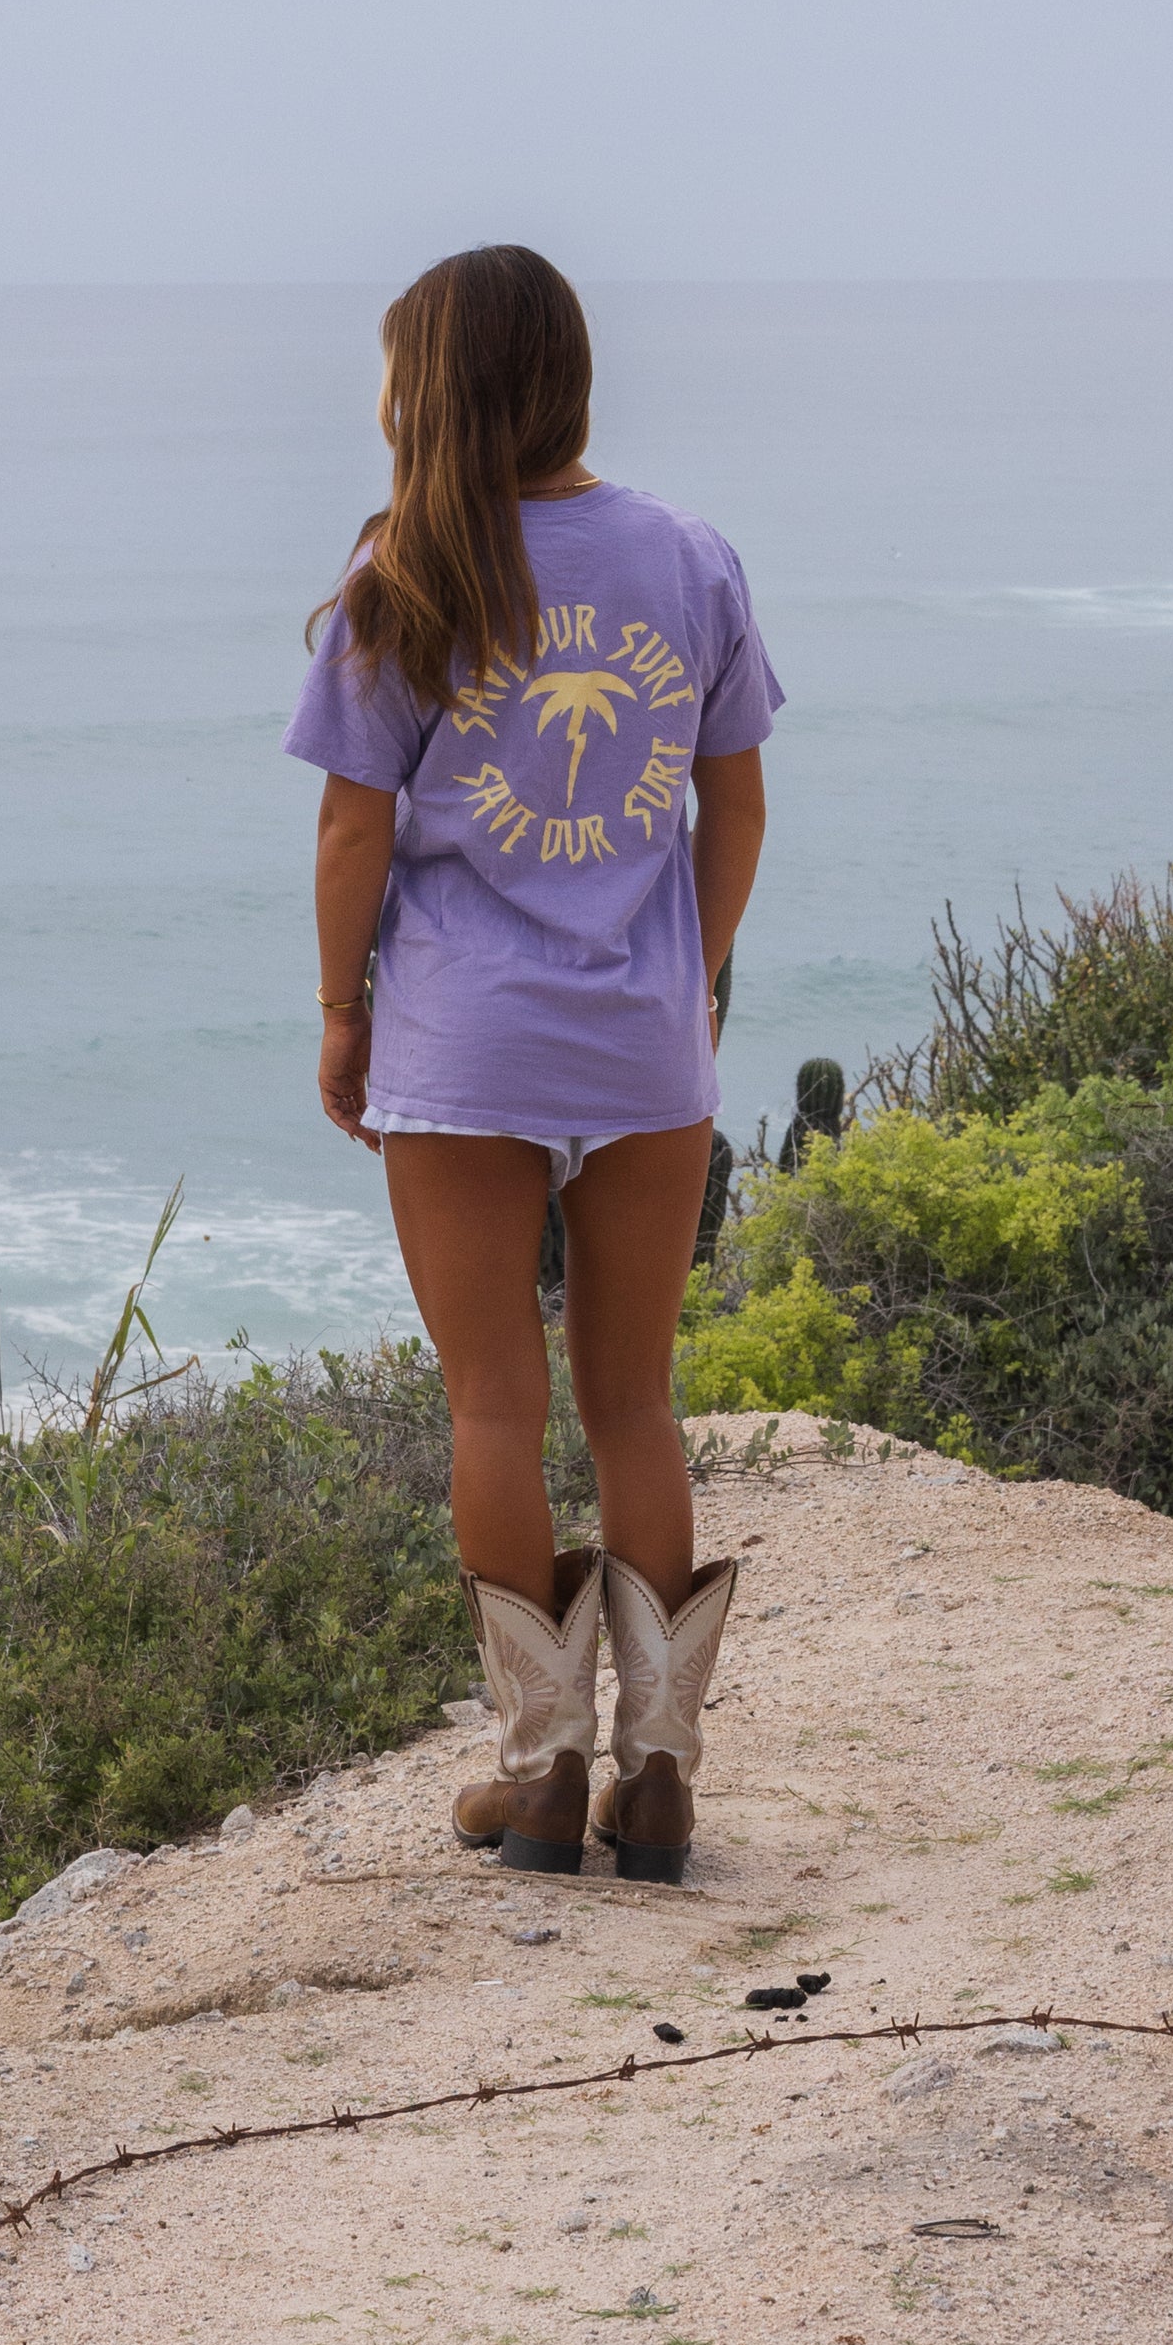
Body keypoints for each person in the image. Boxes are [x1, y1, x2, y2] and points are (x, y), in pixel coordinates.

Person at [287, 246, 778, 1882]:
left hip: (466, 1040)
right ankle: (660, 1773)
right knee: (634, 1400)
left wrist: (342, 1011)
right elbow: (735, 803)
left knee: (494, 1401)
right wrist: (693, 980)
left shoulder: (405, 573)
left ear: (433, 388)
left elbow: (353, 829)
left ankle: (541, 1771)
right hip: (644, 1042)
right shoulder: (689, 558)